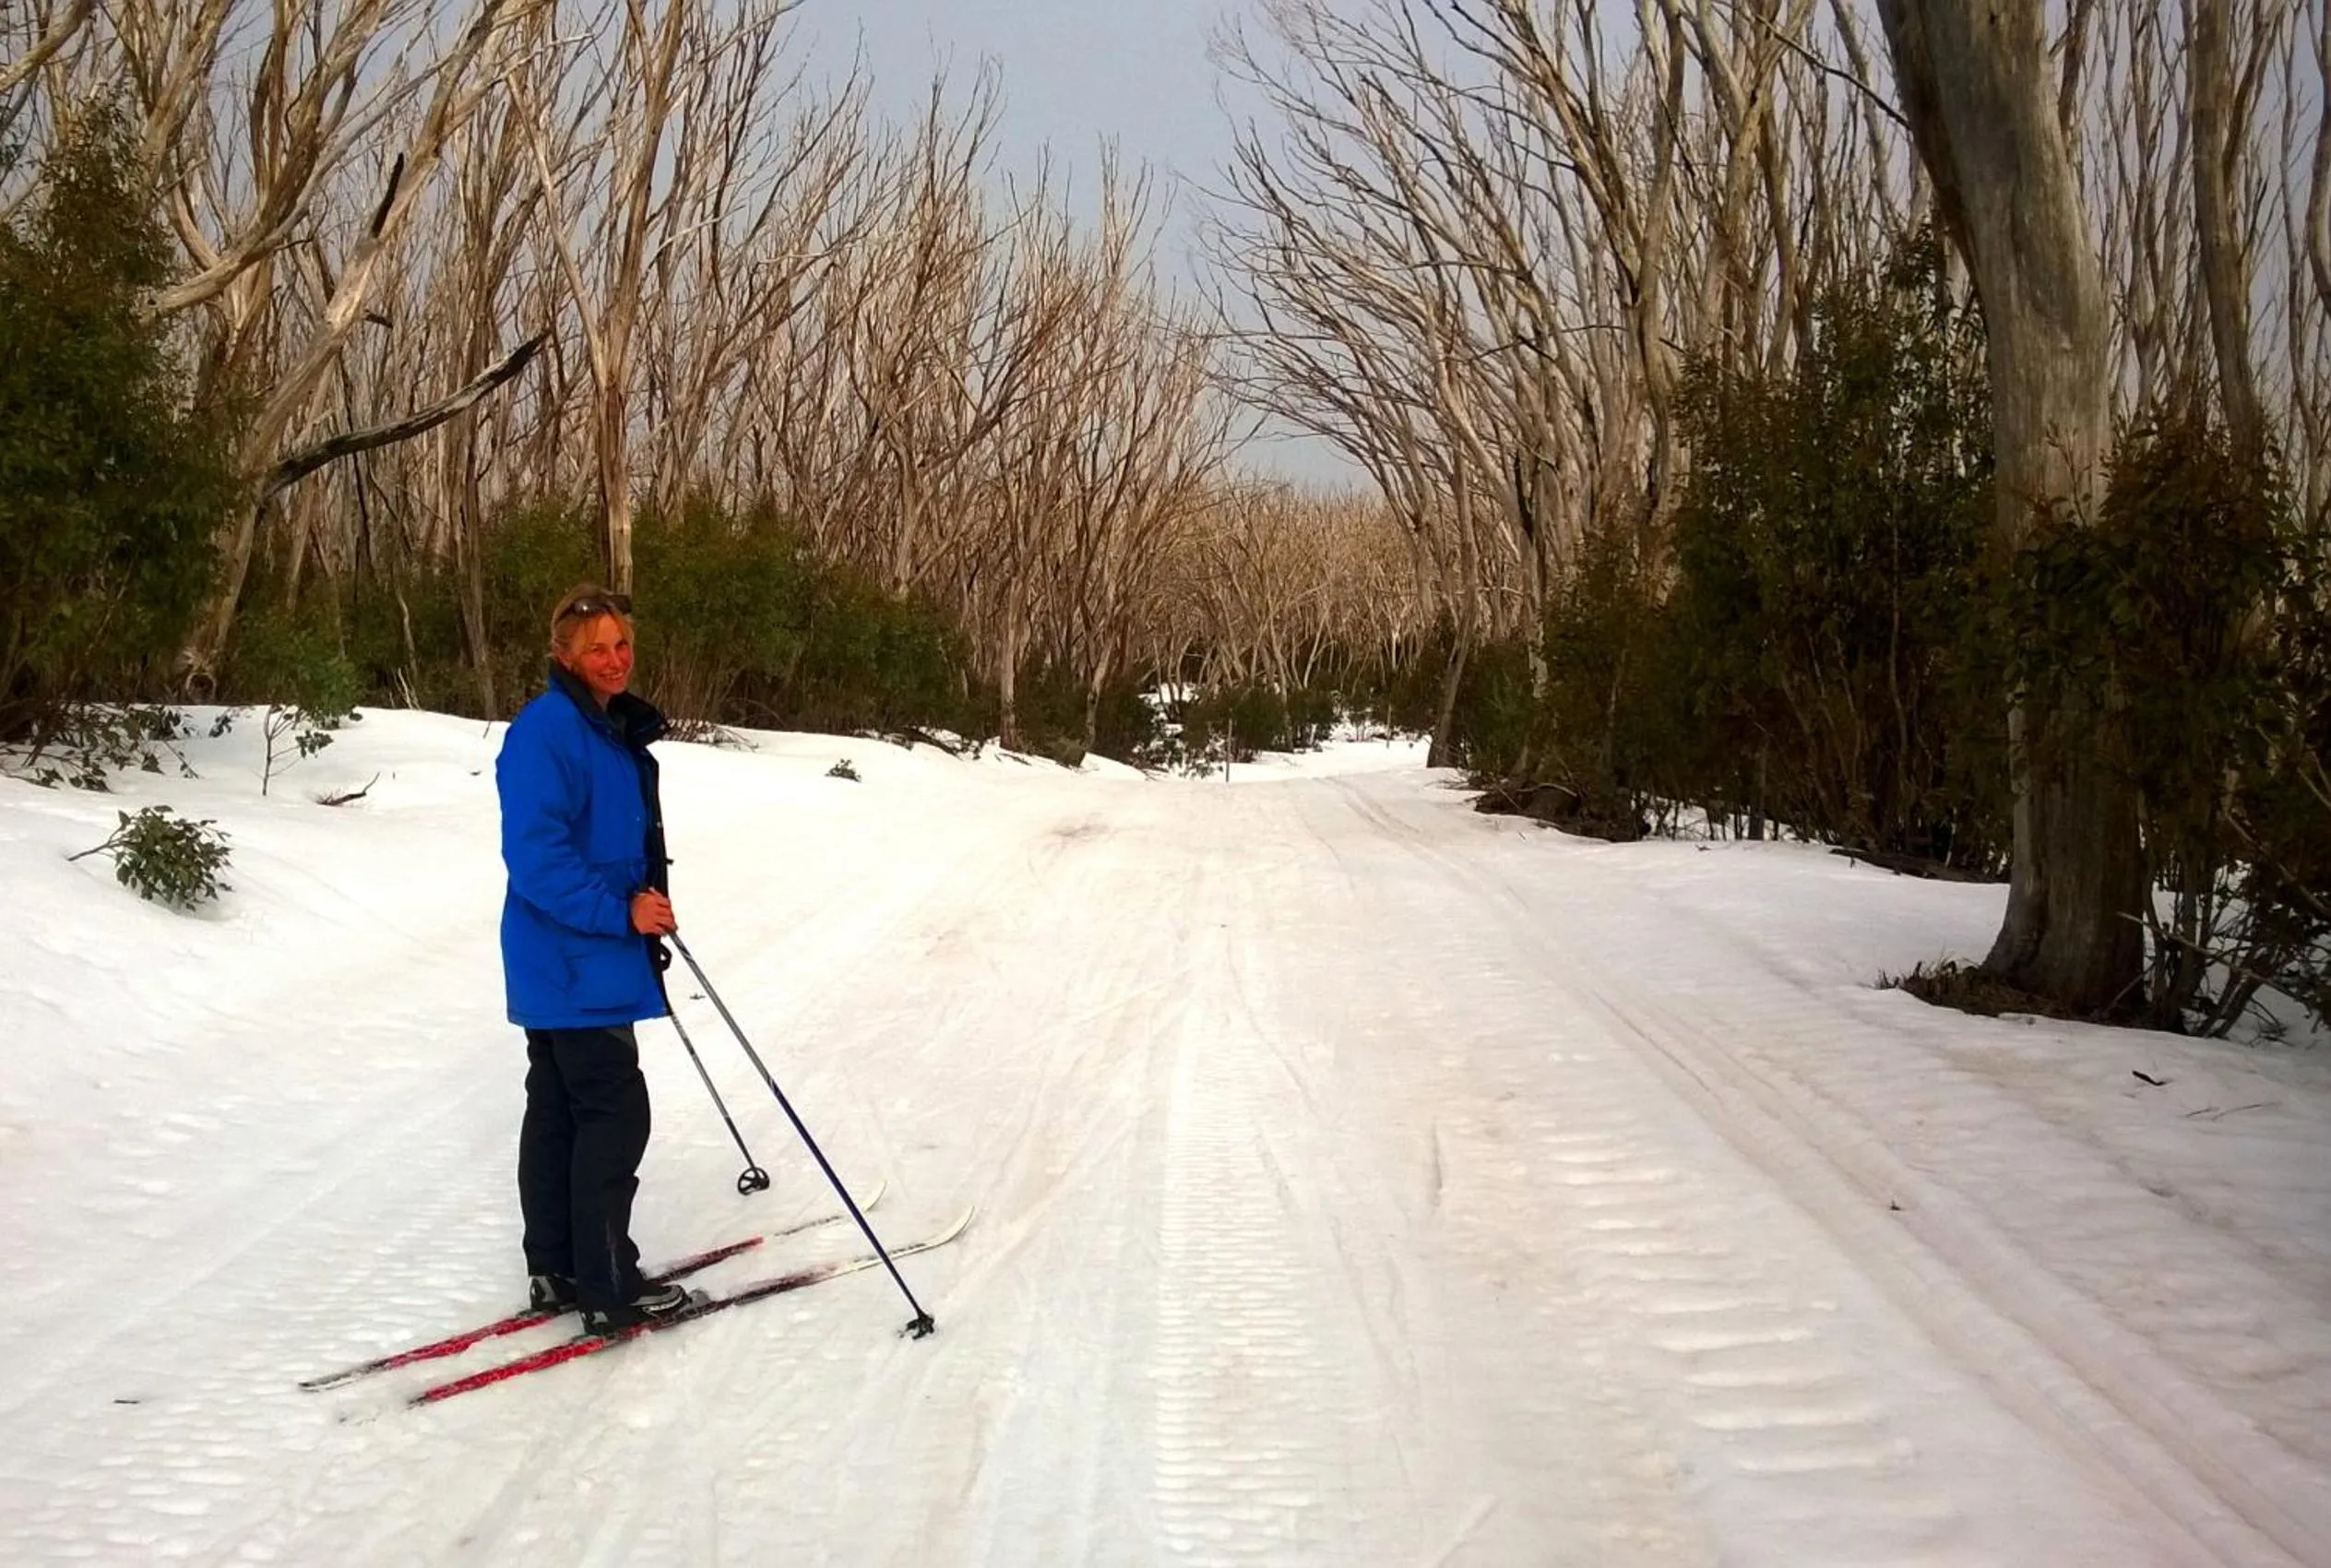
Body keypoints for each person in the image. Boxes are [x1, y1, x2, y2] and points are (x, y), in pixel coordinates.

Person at [495, 585, 693, 1334]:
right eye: (597, 649)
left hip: (578, 958)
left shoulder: (604, 729)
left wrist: (639, 902)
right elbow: (536, 858)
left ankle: (556, 1268)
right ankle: (608, 1284)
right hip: (575, 957)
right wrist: (620, 912)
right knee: (613, 1114)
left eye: (622, 645)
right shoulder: (549, 731)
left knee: (558, 1113)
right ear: (563, 657)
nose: (614, 660)